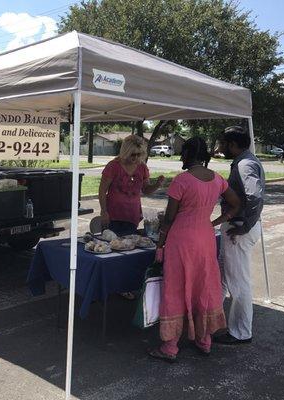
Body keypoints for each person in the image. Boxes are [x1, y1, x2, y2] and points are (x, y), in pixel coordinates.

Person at [148, 137, 241, 362]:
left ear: (188, 154)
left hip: (181, 241)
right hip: (205, 238)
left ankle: (170, 347)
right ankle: (204, 341)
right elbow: (236, 203)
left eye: (183, 153)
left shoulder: (182, 181)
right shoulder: (217, 179)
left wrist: (160, 244)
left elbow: (169, 218)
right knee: (203, 286)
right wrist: (218, 221)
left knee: (176, 288)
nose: (180, 156)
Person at [213, 126, 265, 345]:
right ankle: (216, 321)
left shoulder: (244, 164)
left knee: (239, 282)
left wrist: (244, 226)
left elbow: (254, 196)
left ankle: (241, 332)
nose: (221, 148)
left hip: (240, 229)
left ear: (233, 145)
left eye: (224, 144)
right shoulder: (244, 161)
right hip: (237, 227)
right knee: (226, 277)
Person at [99, 135, 164, 236]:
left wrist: (157, 185)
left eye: (139, 154)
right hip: (112, 215)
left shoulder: (142, 167)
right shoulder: (113, 166)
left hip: (132, 216)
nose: (136, 157)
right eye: (133, 154)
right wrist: (103, 211)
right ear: (126, 152)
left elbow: (146, 190)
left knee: (128, 245)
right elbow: (102, 191)